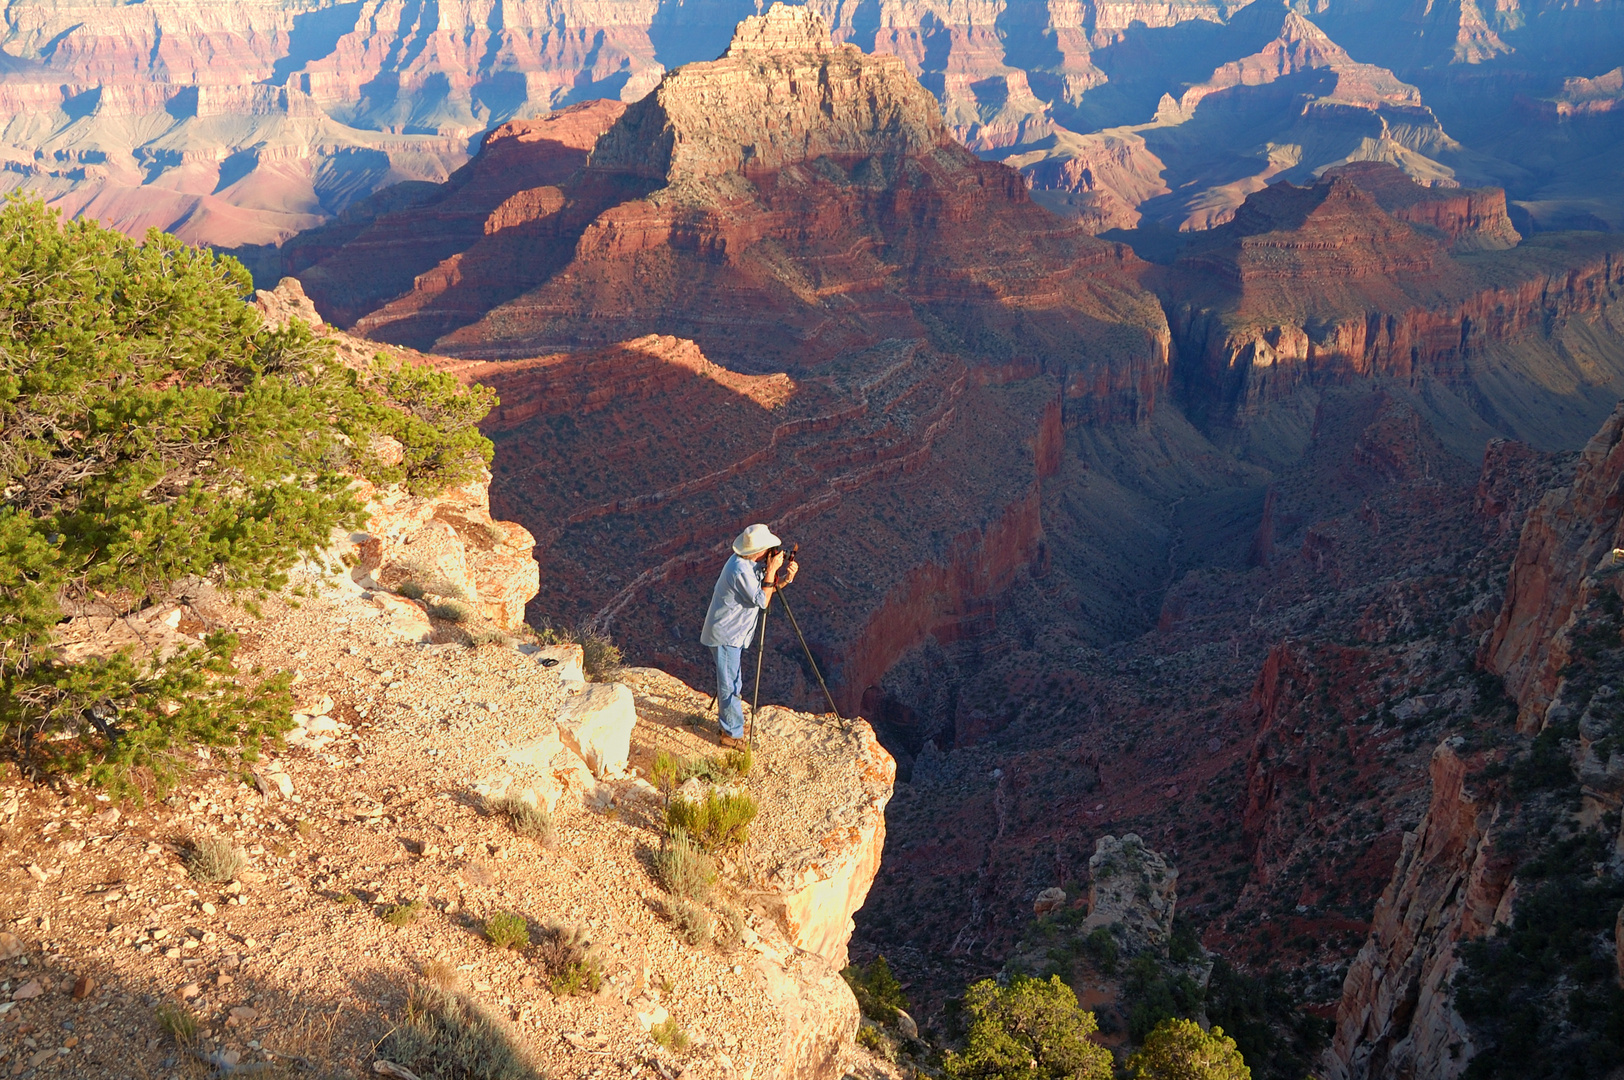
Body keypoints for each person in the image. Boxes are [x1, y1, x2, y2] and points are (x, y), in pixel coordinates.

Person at [700, 523, 798, 749]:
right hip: (726, 636)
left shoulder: (748, 563)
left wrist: (785, 579)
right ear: (759, 550)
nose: (771, 553)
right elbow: (763, 601)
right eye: (768, 549)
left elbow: (764, 592)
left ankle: (729, 725)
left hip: (733, 634)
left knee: (732, 681)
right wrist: (772, 571)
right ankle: (731, 736)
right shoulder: (740, 570)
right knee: (731, 685)